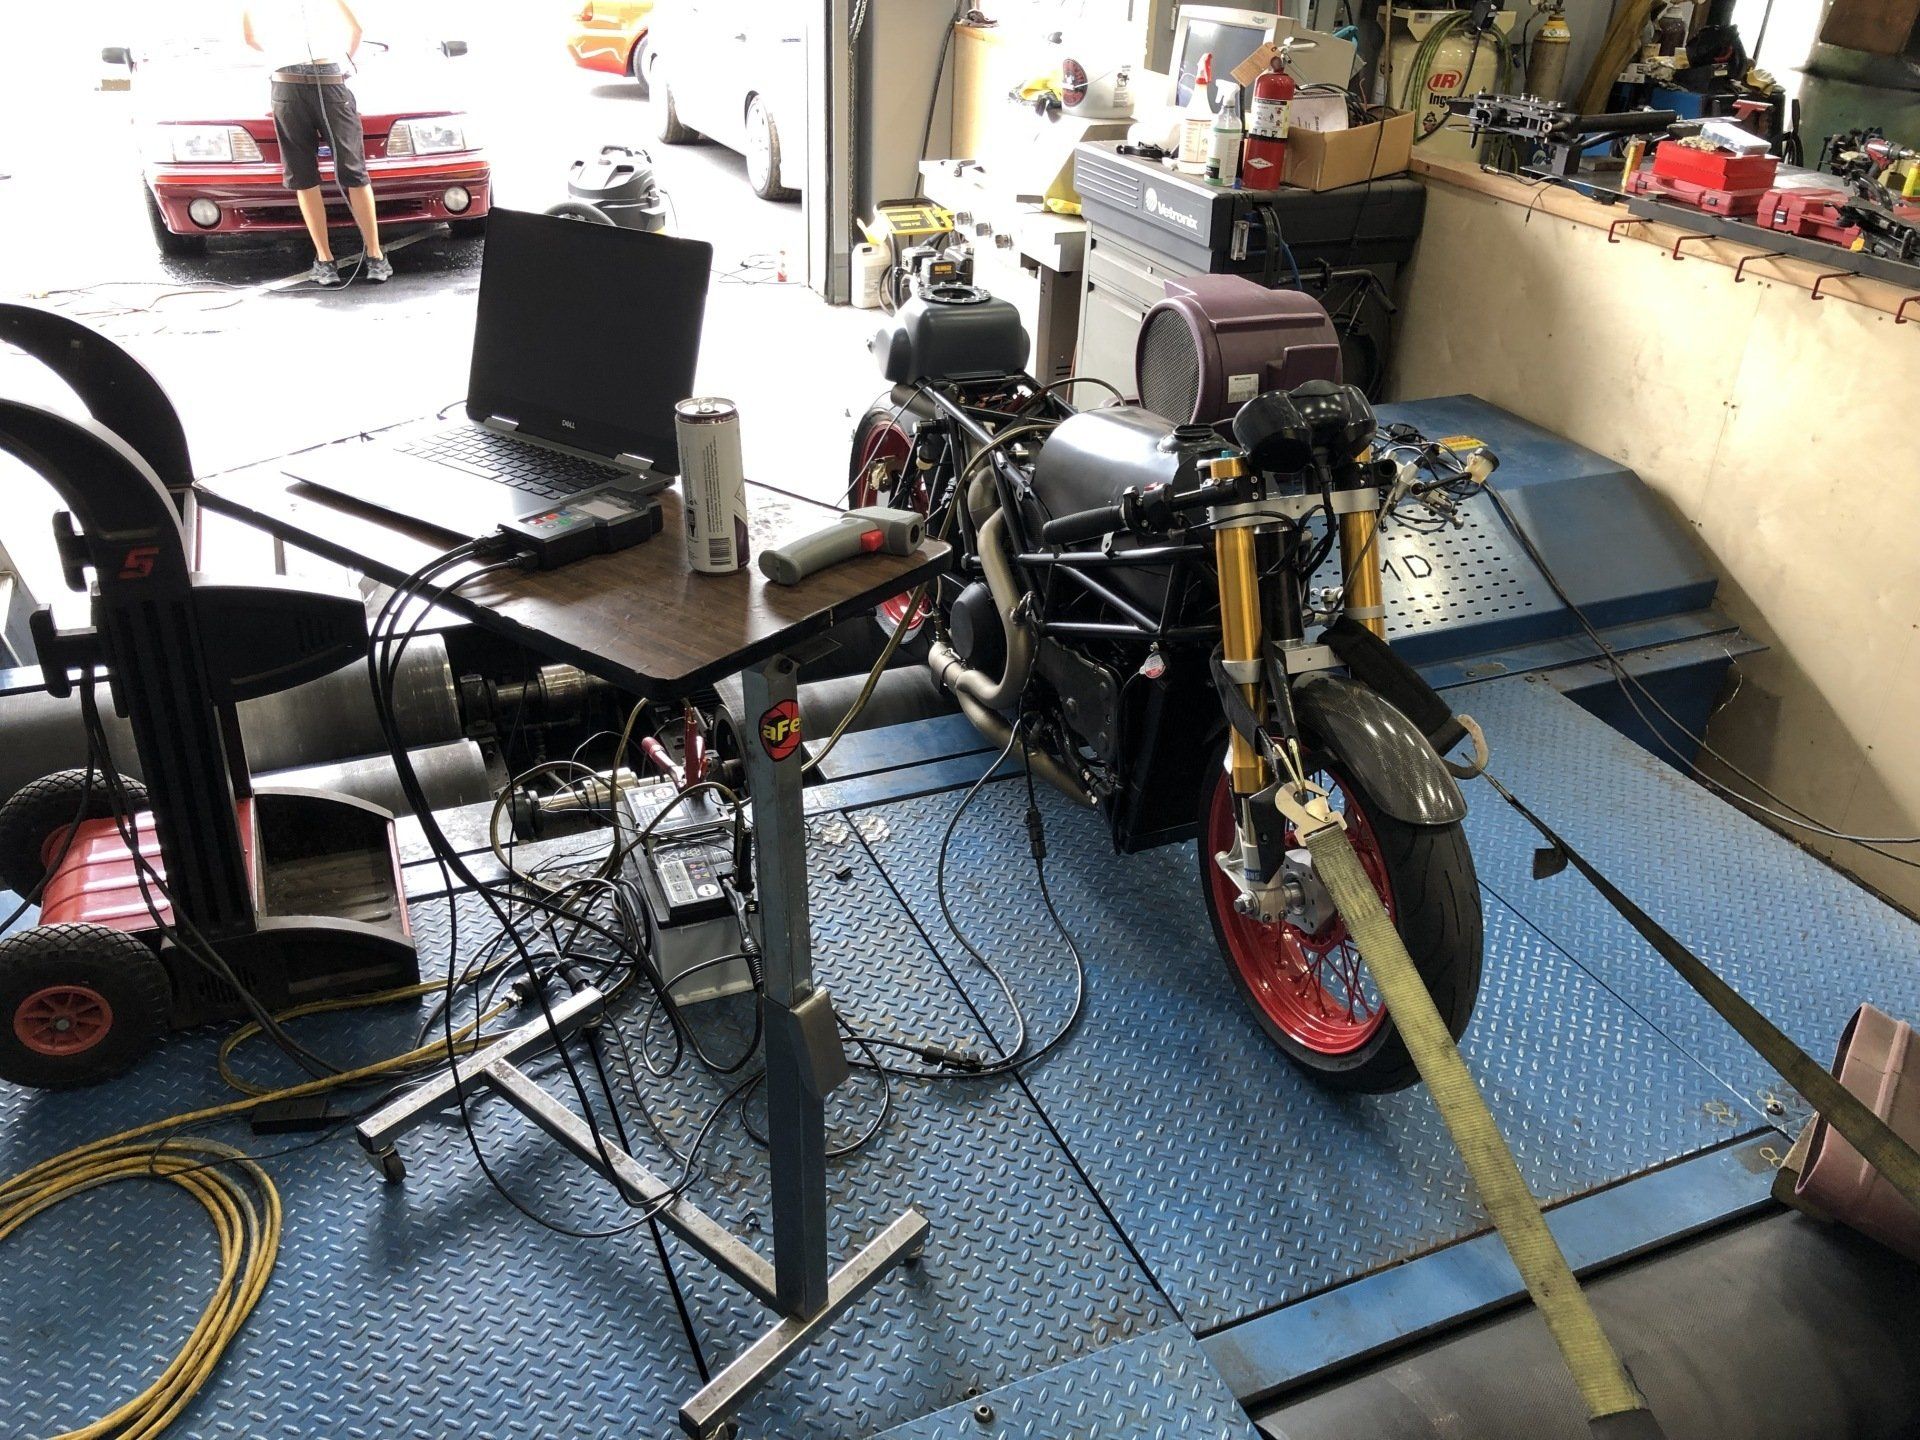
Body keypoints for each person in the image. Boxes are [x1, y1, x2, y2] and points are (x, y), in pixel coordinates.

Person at [242, 0, 390, 284]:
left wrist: (279, 54)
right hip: (326, 78)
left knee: (315, 174)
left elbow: (249, 38)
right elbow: (356, 29)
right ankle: (371, 257)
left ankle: (329, 260)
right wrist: (341, 63)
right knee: (345, 172)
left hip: (289, 82)